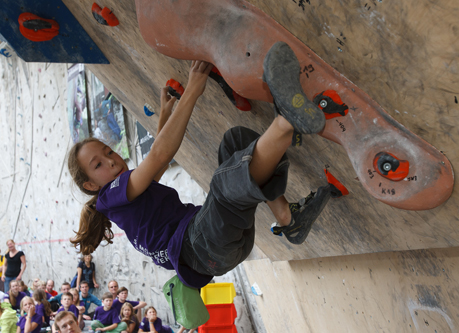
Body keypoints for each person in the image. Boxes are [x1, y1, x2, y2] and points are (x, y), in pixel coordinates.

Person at [68, 55, 331, 289]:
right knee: (225, 184)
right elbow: (159, 155)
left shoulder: (123, 200)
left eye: (108, 152)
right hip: (202, 245)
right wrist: (194, 87)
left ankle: (288, 219)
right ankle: (288, 119)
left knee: (235, 142)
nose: (111, 161)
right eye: (98, 165)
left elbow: (158, 163)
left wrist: (164, 116)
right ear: (91, 185)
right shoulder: (109, 197)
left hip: (212, 245)